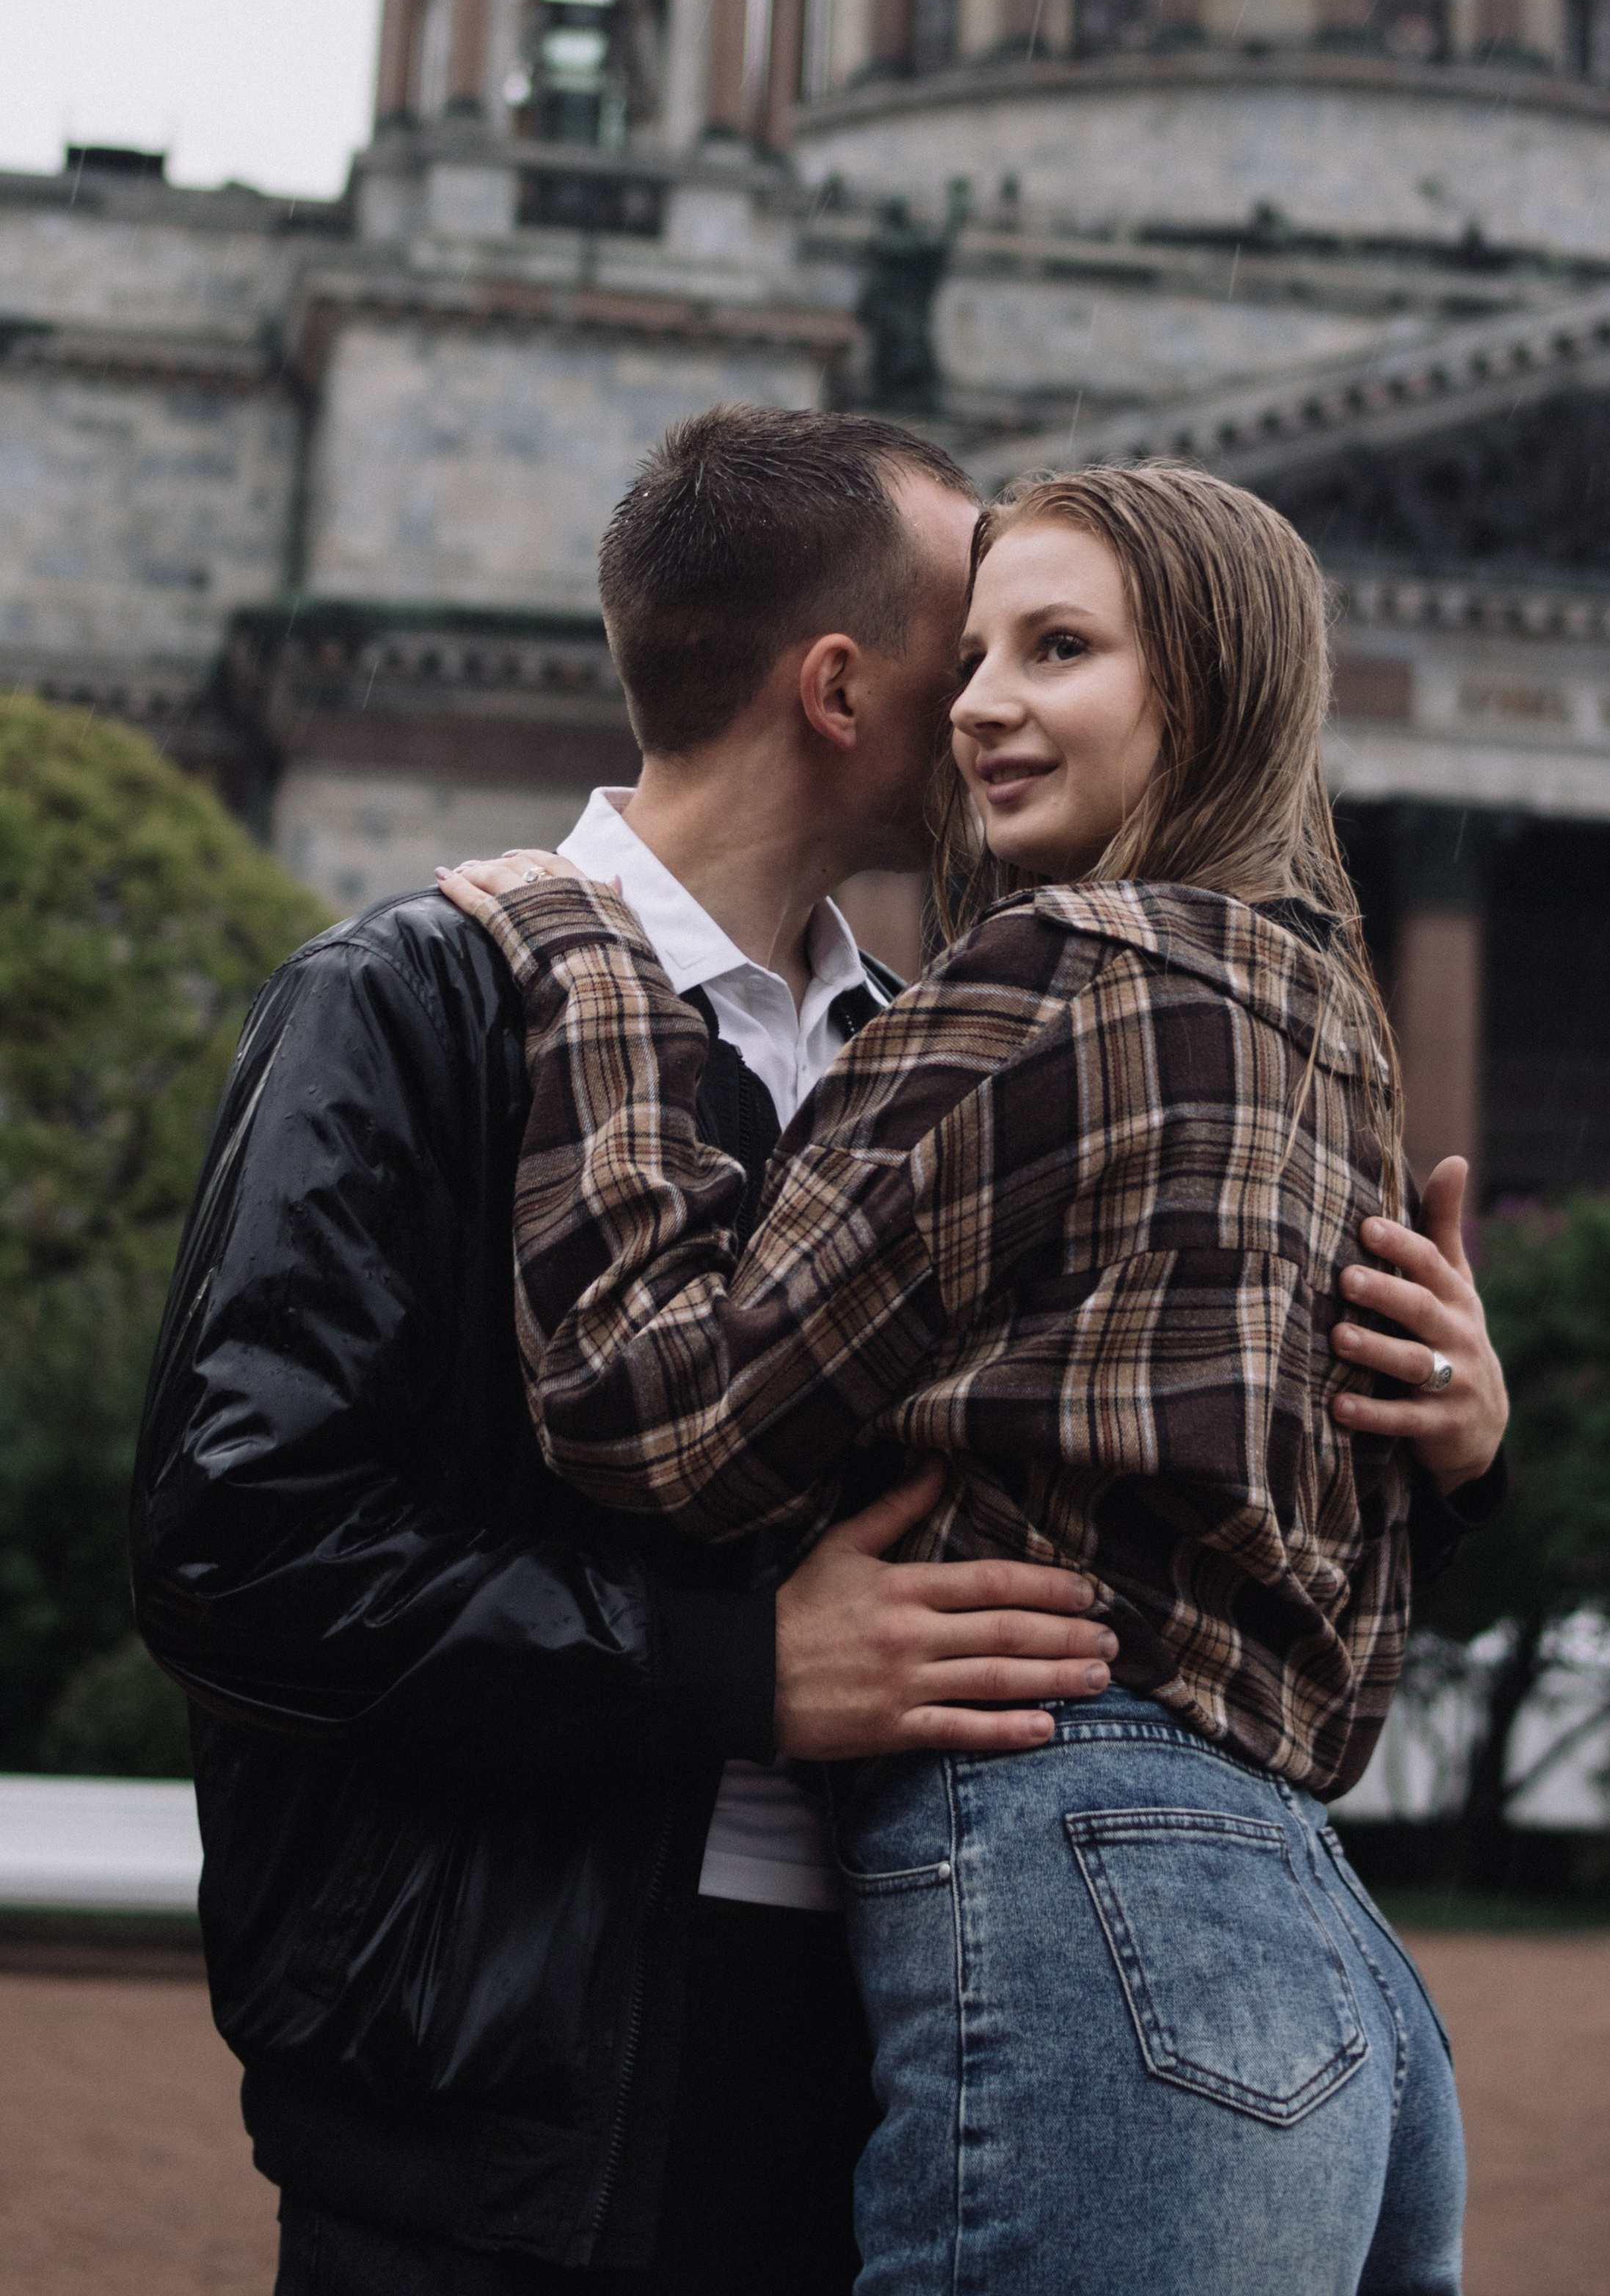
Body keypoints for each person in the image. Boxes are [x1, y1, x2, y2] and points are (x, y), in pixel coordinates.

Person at [439, 461, 1510, 2296]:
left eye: (1062, 648)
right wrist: (1470, 1443)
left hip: (1077, 1858)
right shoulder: (1323, 1023)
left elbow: (664, 1414)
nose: (979, 703)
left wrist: (585, 963)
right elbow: (1339, 1565)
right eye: (976, 650)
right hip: (1321, 1941)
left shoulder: (1061, 969)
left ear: (1214, 686)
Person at [128, 408, 1129, 2296]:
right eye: (972, 639)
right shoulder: (408, 1002)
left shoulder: (944, 1053)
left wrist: (1446, 1435)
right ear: (837, 687)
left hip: (889, 2046)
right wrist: (729, 1669)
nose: (1003, 694)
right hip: (495, 2099)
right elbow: (235, 1545)